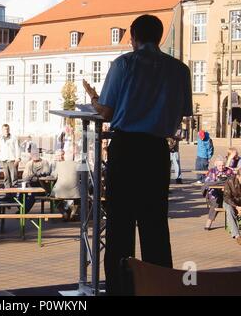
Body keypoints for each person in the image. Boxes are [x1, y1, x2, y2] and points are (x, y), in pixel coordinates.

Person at [83, 15, 192, 295]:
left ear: (133, 38)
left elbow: (106, 112)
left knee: (120, 227)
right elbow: (182, 112)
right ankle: (159, 287)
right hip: (156, 152)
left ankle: (121, 289)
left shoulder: (124, 64)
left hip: (126, 149)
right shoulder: (180, 70)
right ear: (159, 36)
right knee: (155, 226)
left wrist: (95, 99)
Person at [202, 156, 233, 231]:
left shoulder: (229, 171)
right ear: (216, 164)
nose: (221, 167)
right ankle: (209, 222)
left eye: (223, 165)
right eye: (219, 165)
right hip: (214, 192)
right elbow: (207, 183)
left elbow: (233, 182)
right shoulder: (212, 171)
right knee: (216, 202)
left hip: (226, 192)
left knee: (232, 202)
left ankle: (232, 224)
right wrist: (218, 183)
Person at [50, 150, 81, 221]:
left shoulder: (59, 164)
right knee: (79, 199)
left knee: (55, 199)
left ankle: (64, 212)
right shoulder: (78, 164)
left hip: (60, 191)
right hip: (75, 192)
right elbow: (84, 176)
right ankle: (73, 212)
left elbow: (54, 176)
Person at [0, 124, 21, 188]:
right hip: (4, 161)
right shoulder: (0, 139)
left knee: (14, 178)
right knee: (6, 178)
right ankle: (7, 194)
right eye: (4, 129)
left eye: (7, 129)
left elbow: (18, 148)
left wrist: (17, 158)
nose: (6, 130)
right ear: (2, 130)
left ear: (9, 129)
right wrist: (0, 158)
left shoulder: (14, 138)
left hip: (12, 161)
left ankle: (14, 195)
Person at [223, 168, 241, 245]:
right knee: (229, 210)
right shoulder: (230, 181)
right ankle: (237, 235)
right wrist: (237, 207)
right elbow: (227, 198)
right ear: (238, 176)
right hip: (230, 203)